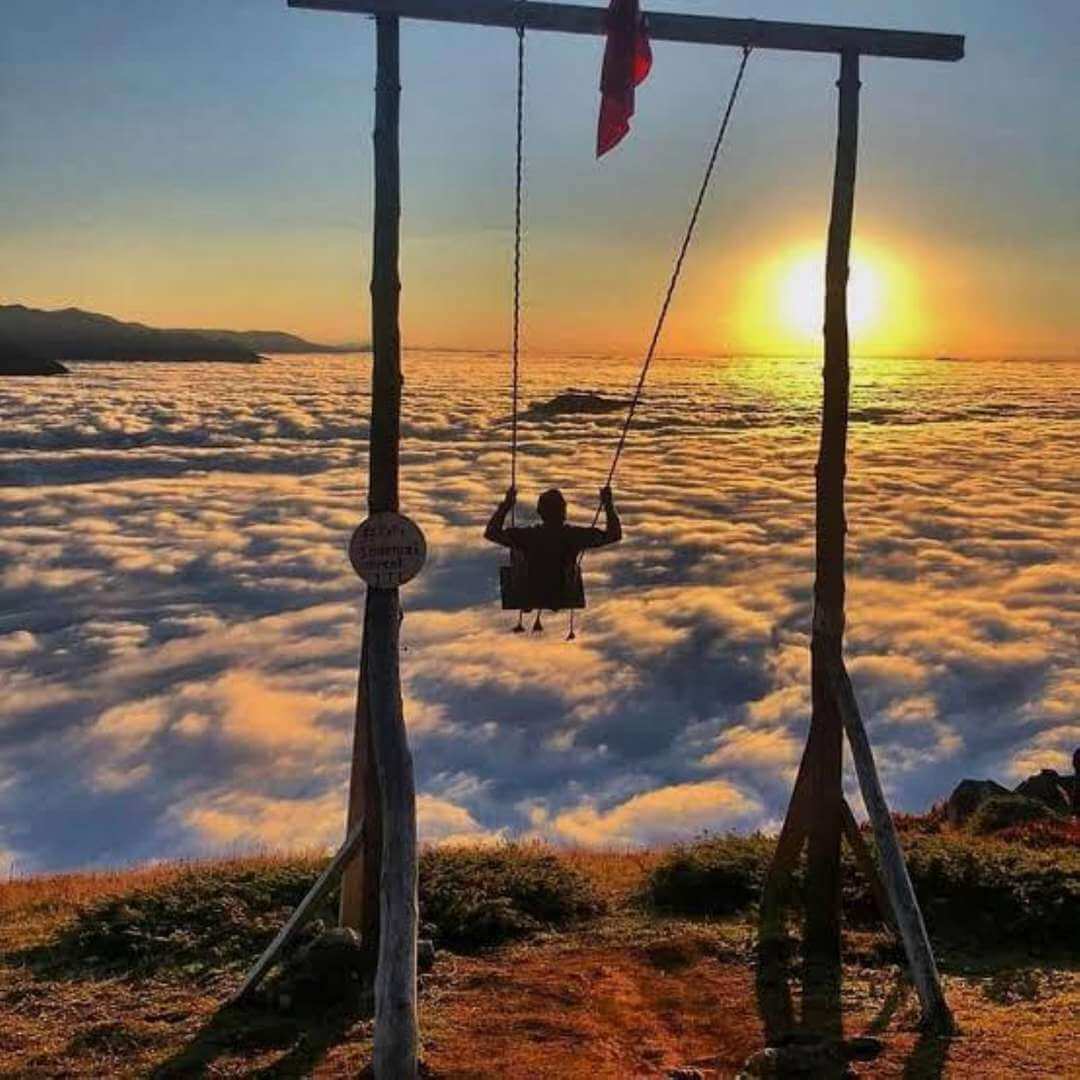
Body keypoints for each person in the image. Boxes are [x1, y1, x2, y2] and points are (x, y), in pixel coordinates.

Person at [485, 485, 622, 612]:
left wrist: (506, 506)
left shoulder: (529, 536)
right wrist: (608, 505)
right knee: (519, 552)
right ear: (563, 511)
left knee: (517, 552)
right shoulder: (574, 536)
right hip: (561, 593)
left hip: (533, 593)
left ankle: (527, 592)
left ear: (540, 512)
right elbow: (613, 535)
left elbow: (492, 533)